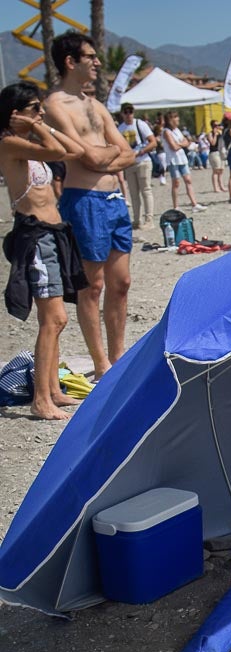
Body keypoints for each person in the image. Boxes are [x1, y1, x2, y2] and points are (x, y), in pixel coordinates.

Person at [44, 32, 136, 379]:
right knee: (92, 286)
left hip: (113, 200)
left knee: (121, 283)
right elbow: (92, 156)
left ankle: (118, 355)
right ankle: (101, 364)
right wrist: (106, 156)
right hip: (84, 200)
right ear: (71, 62)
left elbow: (123, 153)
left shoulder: (96, 106)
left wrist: (105, 157)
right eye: (91, 57)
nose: (98, 62)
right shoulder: (56, 105)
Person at [0, 81, 86, 420]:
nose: (41, 113)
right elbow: (58, 153)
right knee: (54, 318)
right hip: (36, 236)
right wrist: (35, 125)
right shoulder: (9, 144)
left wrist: (40, 122)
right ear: (15, 114)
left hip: (52, 234)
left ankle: (51, 389)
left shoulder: (27, 141)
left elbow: (75, 151)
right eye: (35, 107)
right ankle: (40, 399)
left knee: (54, 318)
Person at [116, 103, 155, 230]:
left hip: (143, 161)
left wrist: (141, 152)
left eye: (130, 112)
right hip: (129, 164)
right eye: (126, 112)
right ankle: (137, 219)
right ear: (122, 114)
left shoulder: (140, 124)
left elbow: (153, 142)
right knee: (133, 193)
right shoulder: (120, 128)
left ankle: (149, 219)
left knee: (146, 190)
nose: (129, 115)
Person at [160, 111, 205, 212]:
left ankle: (194, 204)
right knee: (176, 182)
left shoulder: (177, 130)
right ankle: (176, 206)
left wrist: (181, 143)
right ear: (171, 120)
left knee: (188, 180)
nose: (178, 120)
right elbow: (174, 146)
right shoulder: (166, 131)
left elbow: (186, 142)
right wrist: (181, 144)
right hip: (173, 159)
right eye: (176, 118)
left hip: (182, 158)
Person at [205, 121, 226, 192]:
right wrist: (215, 135)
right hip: (214, 153)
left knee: (221, 170)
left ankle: (221, 186)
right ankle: (215, 187)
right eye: (215, 125)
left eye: (218, 125)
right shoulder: (210, 134)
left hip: (221, 152)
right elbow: (213, 143)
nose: (217, 126)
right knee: (216, 171)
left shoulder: (220, 133)